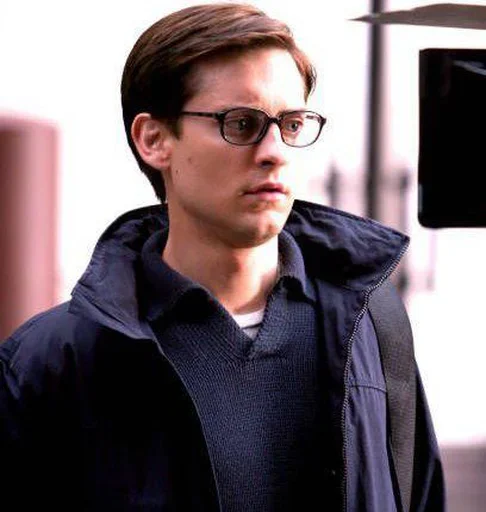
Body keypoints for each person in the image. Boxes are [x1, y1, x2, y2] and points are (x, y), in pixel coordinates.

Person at [0, 3, 445, 511]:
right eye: (242, 123)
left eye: (291, 124)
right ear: (154, 139)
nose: (274, 151)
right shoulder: (49, 363)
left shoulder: (372, 322)